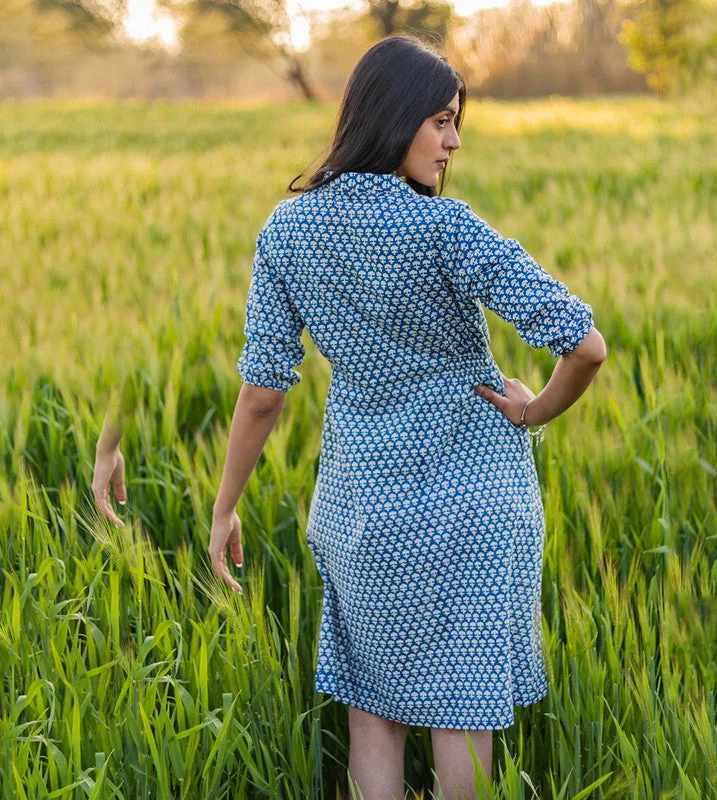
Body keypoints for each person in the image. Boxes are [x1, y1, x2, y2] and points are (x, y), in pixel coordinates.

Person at [93, 32, 606, 800]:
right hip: (477, 503)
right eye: (440, 121)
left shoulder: (288, 231)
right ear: (393, 117)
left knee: (374, 716)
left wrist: (225, 506)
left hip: (365, 509)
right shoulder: (447, 227)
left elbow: (264, 388)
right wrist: (532, 411)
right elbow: (586, 345)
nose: (454, 141)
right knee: (461, 711)